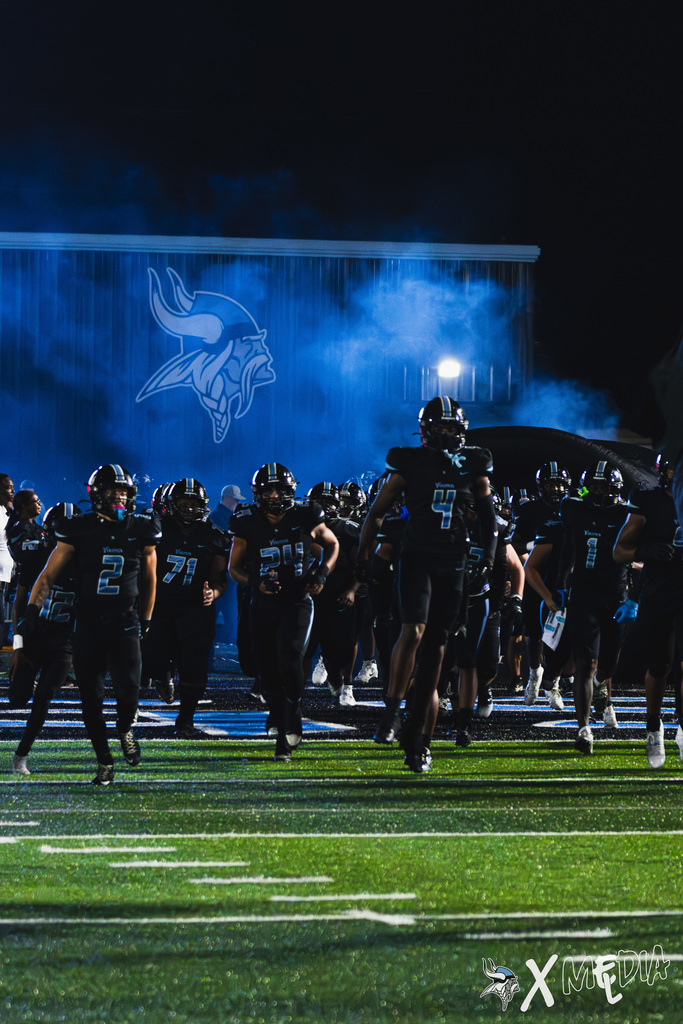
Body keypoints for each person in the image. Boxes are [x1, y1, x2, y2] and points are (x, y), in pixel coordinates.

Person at [358, 397, 497, 773]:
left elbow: (489, 519)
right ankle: (390, 712)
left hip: (453, 563)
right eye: (440, 429)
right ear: (426, 431)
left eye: (452, 429)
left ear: (462, 433)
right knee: (413, 630)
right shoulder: (409, 462)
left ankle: (418, 742)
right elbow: (376, 514)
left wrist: (487, 557)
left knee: (437, 649)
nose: (447, 435)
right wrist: (363, 561)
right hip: (417, 557)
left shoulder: (474, 464)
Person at [26, 464, 160, 785]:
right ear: (97, 493)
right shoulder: (78, 529)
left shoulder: (142, 527)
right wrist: (32, 612)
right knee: (91, 698)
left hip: (125, 620)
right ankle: (104, 761)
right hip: (88, 624)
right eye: (113, 490)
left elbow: (149, 575)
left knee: (129, 692)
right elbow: (48, 575)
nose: (119, 497)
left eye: (124, 492)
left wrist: (146, 617)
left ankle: (126, 728)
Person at [228, 463, 339, 761]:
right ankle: (279, 712)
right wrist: (255, 582)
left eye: (280, 490)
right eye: (268, 490)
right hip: (263, 602)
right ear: (257, 494)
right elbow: (233, 568)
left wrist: (321, 574)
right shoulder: (245, 521)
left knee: (290, 658)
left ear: (292, 492)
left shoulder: (306, 515)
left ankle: (291, 716)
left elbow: (332, 544)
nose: (275, 495)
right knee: (266, 671)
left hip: (297, 600)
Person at [142, 477, 229, 737]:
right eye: (184, 503)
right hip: (159, 606)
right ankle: (161, 674)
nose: (190, 509)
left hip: (195, 610)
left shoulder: (214, 535)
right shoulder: (156, 529)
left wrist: (213, 593)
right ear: (172, 503)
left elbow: (219, 580)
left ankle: (186, 719)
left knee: (194, 667)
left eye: (195, 504)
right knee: (151, 660)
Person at [613, 454, 683, 768]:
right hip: (659, 590)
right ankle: (654, 725)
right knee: (660, 664)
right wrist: (645, 551)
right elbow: (619, 551)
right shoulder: (648, 501)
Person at [558, 461, 630, 754]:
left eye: (605, 487)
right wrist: (561, 584)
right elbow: (567, 547)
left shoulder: (626, 513)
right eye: (595, 487)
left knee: (609, 666)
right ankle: (583, 728)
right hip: (585, 593)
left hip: (615, 595)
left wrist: (633, 595)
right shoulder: (575, 509)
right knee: (586, 663)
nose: (599, 493)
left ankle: (600, 686)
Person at [10, 503, 81, 774]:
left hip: (64, 640)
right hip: (34, 636)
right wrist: (18, 646)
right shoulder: (36, 553)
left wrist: (79, 649)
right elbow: (19, 605)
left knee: (45, 697)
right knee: (18, 698)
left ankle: (21, 756)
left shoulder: (88, 561)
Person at [512, 462, 571, 703]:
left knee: (560, 631)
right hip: (536, 576)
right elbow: (515, 544)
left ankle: (554, 681)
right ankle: (535, 675)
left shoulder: (572, 509)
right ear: (540, 486)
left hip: (562, 577)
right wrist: (532, 556)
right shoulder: (530, 511)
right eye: (550, 484)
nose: (555, 489)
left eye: (559, 484)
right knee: (534, 633)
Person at [210, 484, 247, 643]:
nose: (237, 503)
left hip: (227, 575)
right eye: (235, 500)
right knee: (228, 615)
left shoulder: (224, 516)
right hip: (222, 574)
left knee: (231, 617)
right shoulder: (218, 517)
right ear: (226, 498)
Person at [0, 474, 15, 646]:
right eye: (8, 487)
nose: (12, 490)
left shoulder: (6, 511)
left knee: (4, 621)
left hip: (6, 575)